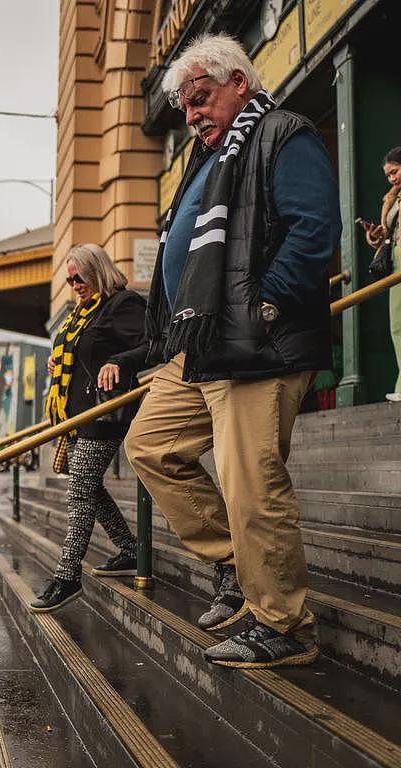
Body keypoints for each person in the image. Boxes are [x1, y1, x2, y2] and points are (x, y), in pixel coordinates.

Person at [122, 34, 342, 669]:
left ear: (240, 82)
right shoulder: (205, 160)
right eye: (184, 105)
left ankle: (284, 624)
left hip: (257, 342)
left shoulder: (281, 133)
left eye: (201, 97)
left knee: (250, 482)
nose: (192, 114)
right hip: (200, 345)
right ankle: (232, 565)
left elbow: (313, 228)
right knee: (151, 446)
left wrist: (265, 304)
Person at [29, 244, 147, 613]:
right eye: (69, 280)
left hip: (107, 412)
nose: (74, 285)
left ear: (97, 270)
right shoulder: (84, 312)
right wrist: (58, 359)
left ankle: (67, 576)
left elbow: (153, 345)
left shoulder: (123, 304)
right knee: (88, 485)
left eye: (79, 277)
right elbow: (83, 354)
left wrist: (118, 360)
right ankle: (130, 550)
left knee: (81, 486)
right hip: (80, 414)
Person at [362, 147, 401, 401]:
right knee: (397, 326)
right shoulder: (391, 198)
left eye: (395, 172)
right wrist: (375, 237)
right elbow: (388, 235)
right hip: (396, 265)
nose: (392, 179)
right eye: (388, 175)